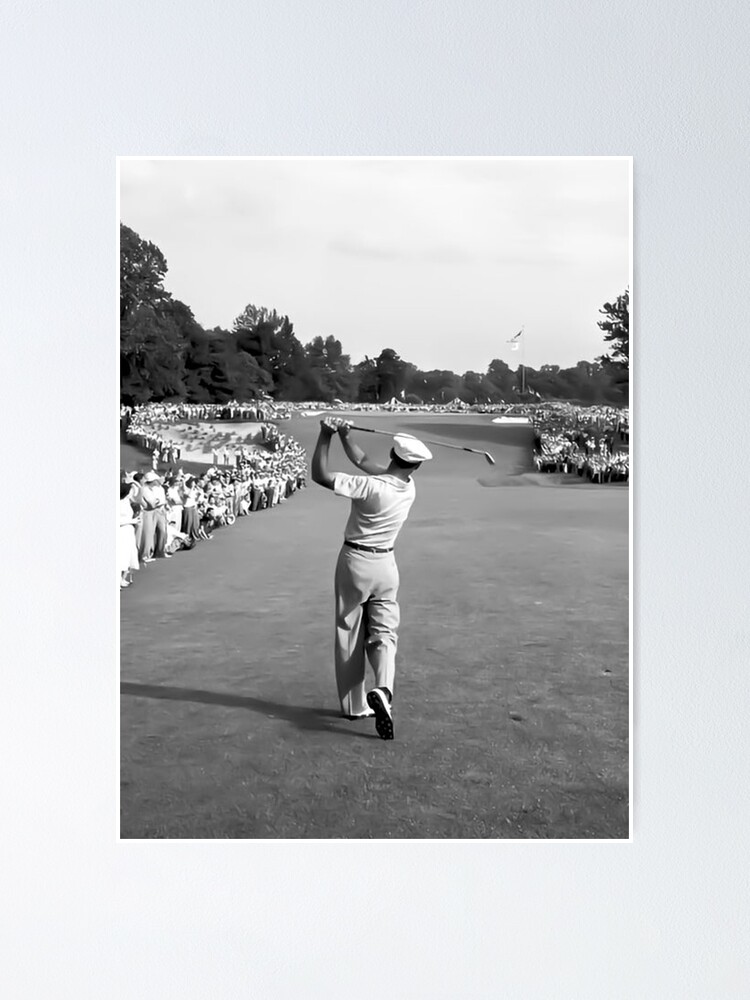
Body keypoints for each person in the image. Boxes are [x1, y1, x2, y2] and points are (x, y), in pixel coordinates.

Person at [311, 417, 432, 740]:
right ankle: (383, 689)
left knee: (349, 631)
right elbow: (363, 460)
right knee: (384, 633)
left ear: (393, 455)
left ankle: (354, 705)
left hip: (355, 561)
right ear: (415, 466)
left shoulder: (370, 487)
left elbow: (320, 475)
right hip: (386, 565)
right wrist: (347, 436)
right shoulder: (409, 488)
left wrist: (326, 436)